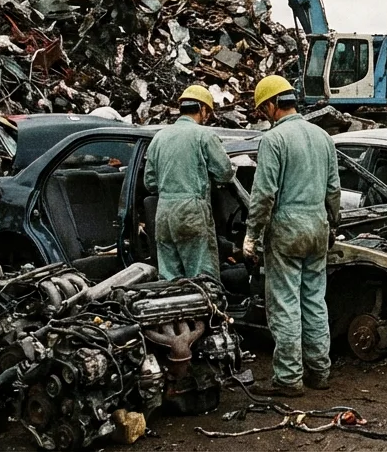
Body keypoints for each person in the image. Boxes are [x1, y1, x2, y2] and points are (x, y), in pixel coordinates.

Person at [244, 75, 341, 395]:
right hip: (317, 227)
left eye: (263, 109)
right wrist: (333, 225)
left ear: (273, 105)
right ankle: (319, 372)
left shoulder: (274, 140)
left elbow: (263, 196)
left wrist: (252, 237)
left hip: (286, 230)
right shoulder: (322, 137)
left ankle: (288, 379)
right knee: (315, 301)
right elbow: (334, 191)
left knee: (285, 304)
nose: (263, 115)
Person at [143, 85, 232, 281]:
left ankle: (171, 308)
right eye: (208, 111)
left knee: (169, 278)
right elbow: (225, 173)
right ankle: (206, 310)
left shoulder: (159, 138)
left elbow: (149, 182)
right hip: (191, 212)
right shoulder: (204, 135)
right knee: (203, 277)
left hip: (164, 214)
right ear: (202, 109)